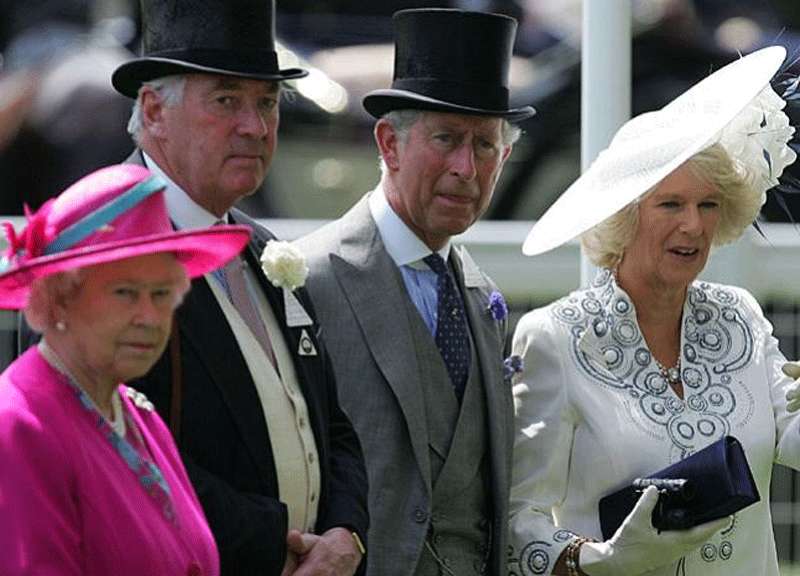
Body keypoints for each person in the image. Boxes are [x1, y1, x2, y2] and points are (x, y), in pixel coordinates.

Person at [507, 46, 800, 576]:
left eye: (708, 205)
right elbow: (516, 519)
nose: (693, 225)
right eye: (671, 204)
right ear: (623, 217)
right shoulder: (554, 337)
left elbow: (792, 437)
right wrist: (594, 560)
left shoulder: (740, 316)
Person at [109, 0, 369, 574]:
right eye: (226, 100)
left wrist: (347, 531)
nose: (255, 127)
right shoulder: (107, 250)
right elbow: (116, 451)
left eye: (267, 102)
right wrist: (284, 542)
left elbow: (331, 425)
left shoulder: (261, 247)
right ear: (153, 110)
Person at [296, 9, 535, 576]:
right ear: (389, 144)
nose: (465, 167)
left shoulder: (481, 296)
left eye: (484, 145)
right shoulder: (310, 277)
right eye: (446, 138)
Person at [0, 163, 251, 575]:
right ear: (59, 297)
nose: (149, 317)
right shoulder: (21, 426)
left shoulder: (138, 416)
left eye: (161, 294)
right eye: (125, 293)